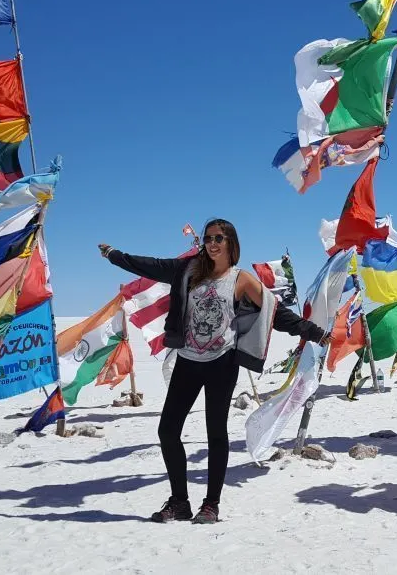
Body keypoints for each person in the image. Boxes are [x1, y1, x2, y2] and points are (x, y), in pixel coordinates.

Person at [99, 219, 329, 524]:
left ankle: (211, 505)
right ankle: (179, 502)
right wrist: (115, 255)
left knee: (215, 433)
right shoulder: (188, 270)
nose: (212, 243)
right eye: (208, 238)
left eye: (219, 238)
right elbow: (151, 266)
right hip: (187, 360)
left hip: (222, 362)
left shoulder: (241, 280)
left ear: (231, 243)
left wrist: (314, 332)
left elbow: (275, 313)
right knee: (167, 430)